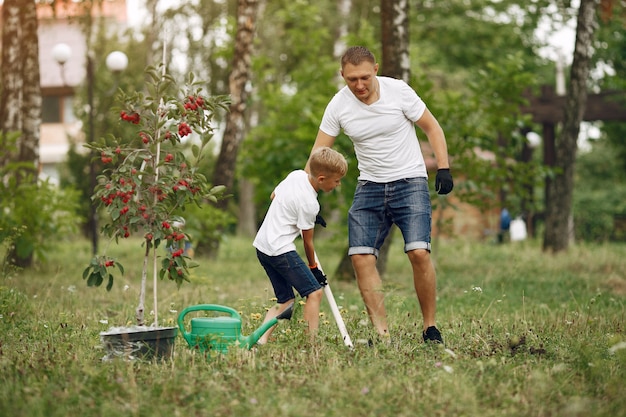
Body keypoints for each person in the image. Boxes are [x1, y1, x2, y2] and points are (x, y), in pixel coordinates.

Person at [308, 46, 453, 344]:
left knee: (418, 252)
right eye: (351, 80)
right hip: (369, 186)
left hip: (410, 181)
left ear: (375, 69)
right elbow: (318, 155)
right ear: (342, 76)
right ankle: (382, 334)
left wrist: (444, 168)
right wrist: (307, 194)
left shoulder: (398, 91)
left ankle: (430, 327)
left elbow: (432, 128)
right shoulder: (338, 105)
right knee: (360, 257)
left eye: (364, 77)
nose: (359, 85)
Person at [253, 146, 348, 344]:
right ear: (322, 179)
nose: (338, 185)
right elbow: (308, 241)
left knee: (285, 301)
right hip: (280, 250)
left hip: (263, 246)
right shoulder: (310, 204)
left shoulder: (296, 175)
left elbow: (274, 196)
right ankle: (310, 344)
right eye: (337, 181)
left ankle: (259, 341)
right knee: (314, 292)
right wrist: (313, 267)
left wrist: (297, 213)